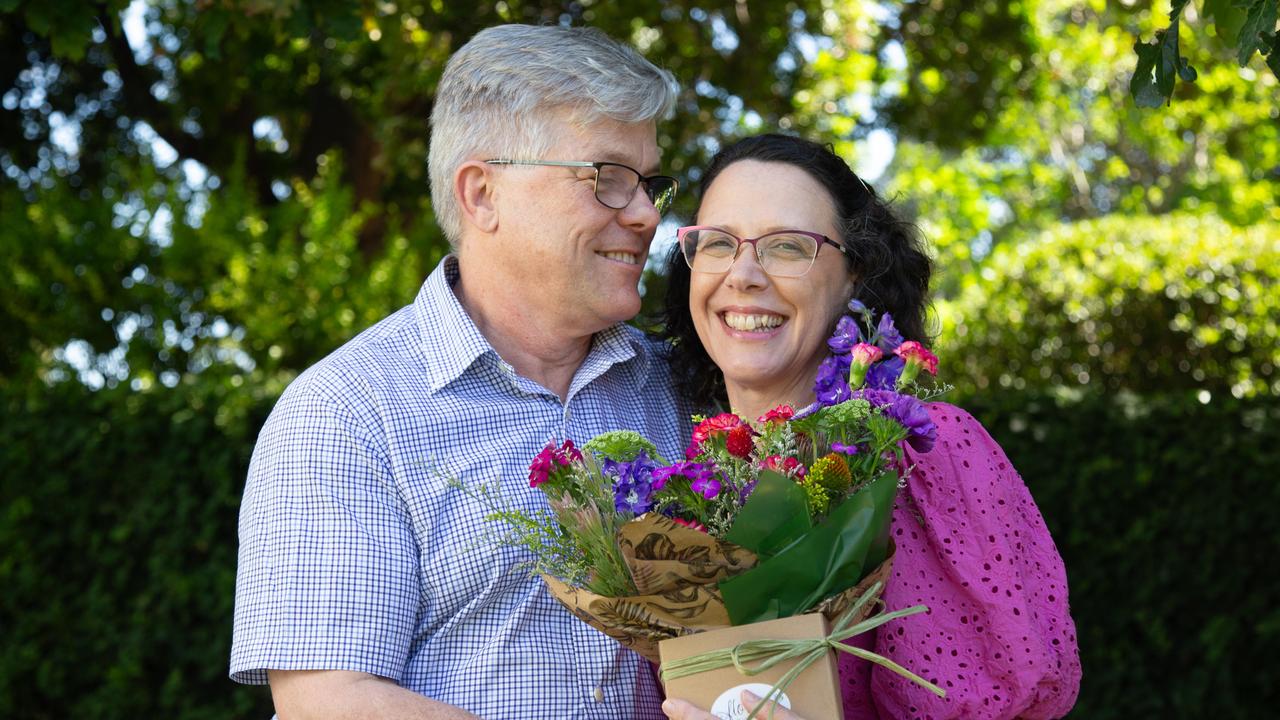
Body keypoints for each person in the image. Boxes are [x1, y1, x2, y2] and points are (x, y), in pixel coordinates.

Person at [231, 24, 688, 719]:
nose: (648, 214)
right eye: (609, 179)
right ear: (481, 194)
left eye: (649, 182)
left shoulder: (679, 390)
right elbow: (329, 701)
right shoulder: (348, 411)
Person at [658, 134, 1082, 719]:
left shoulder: (923, 456)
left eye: (787, 247)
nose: (744, 274)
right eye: (718, 243)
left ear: (854, 275)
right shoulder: (683, 481)